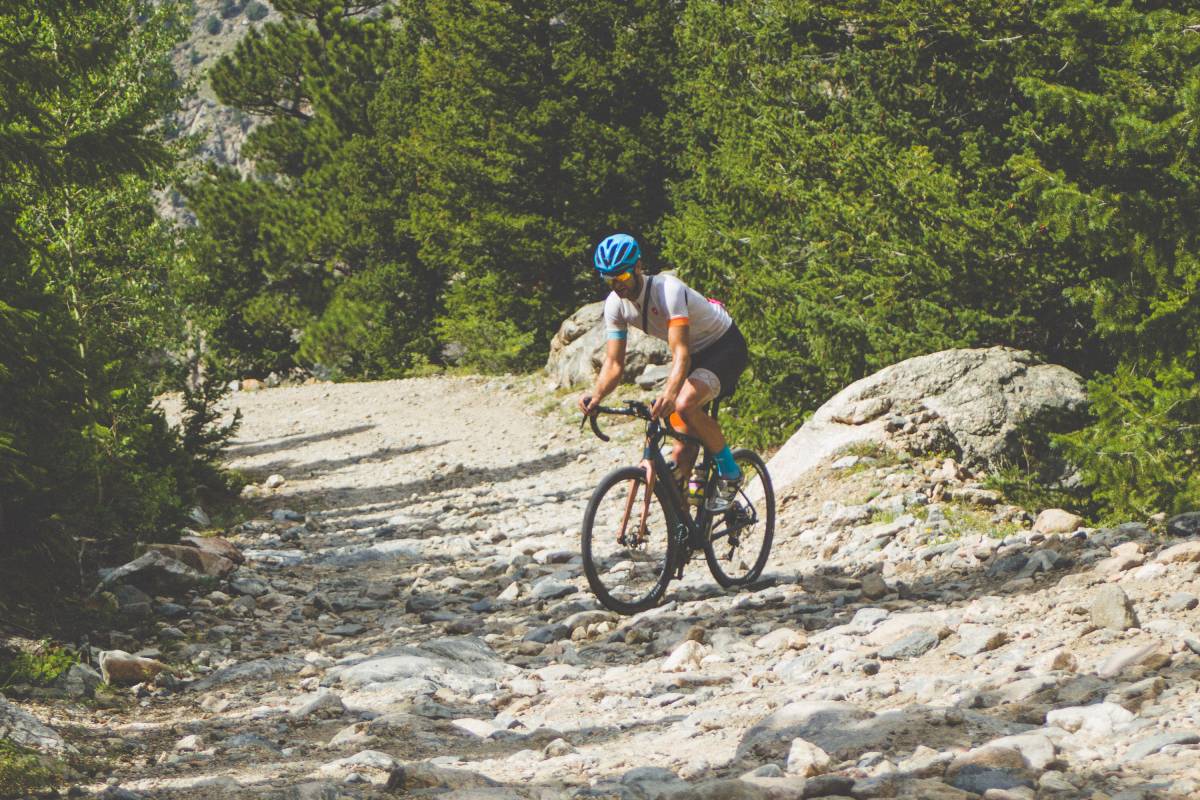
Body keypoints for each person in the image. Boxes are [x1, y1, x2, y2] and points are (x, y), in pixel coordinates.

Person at [579, 233, 749, 511]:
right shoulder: (614, 305)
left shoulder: (667, 290)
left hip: (724, 346)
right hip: (694, 355)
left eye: (621, 278)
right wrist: (596, 395)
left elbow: (680, 352)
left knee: (683, 404)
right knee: (680, 451)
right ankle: (683, 537)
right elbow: (614, 364)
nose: (617, 287)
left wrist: (670, 395)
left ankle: (730, 473)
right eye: (609, 280)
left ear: (637, 267)